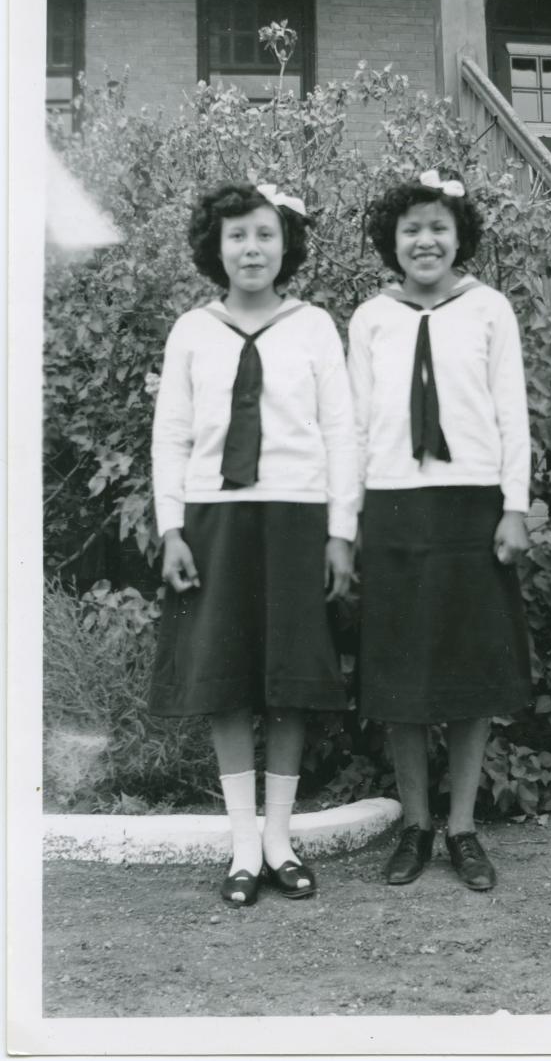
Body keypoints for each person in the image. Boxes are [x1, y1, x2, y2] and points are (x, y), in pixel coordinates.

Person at [149, 180, 357, 908]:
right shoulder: (192, 330)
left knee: (292, 680)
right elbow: (171, 434)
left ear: (286, 244)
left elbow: (341, 432)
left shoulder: (313, 326)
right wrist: (171, 525)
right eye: (237, 235)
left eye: (265, 234)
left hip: (298, 517)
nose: (251, 248)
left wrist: (341, 533)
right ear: (217, 246)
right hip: (215, 520)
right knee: (228, 681)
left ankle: (279, 841)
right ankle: (242, 848)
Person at [347, 169, 532, 892]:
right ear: (392, 242)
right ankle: (415, 826)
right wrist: (348, 517)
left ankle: (462, 827)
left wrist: (513, 505)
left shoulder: (489, 309)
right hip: (392, 501)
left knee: (469, 667)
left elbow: (511, 413)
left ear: (460, 238)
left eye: (438, 228)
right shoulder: (371, 318)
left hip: (471, 504)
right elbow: (356, 424)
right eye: (411, 229)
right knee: (399, 669)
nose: (425, 240)